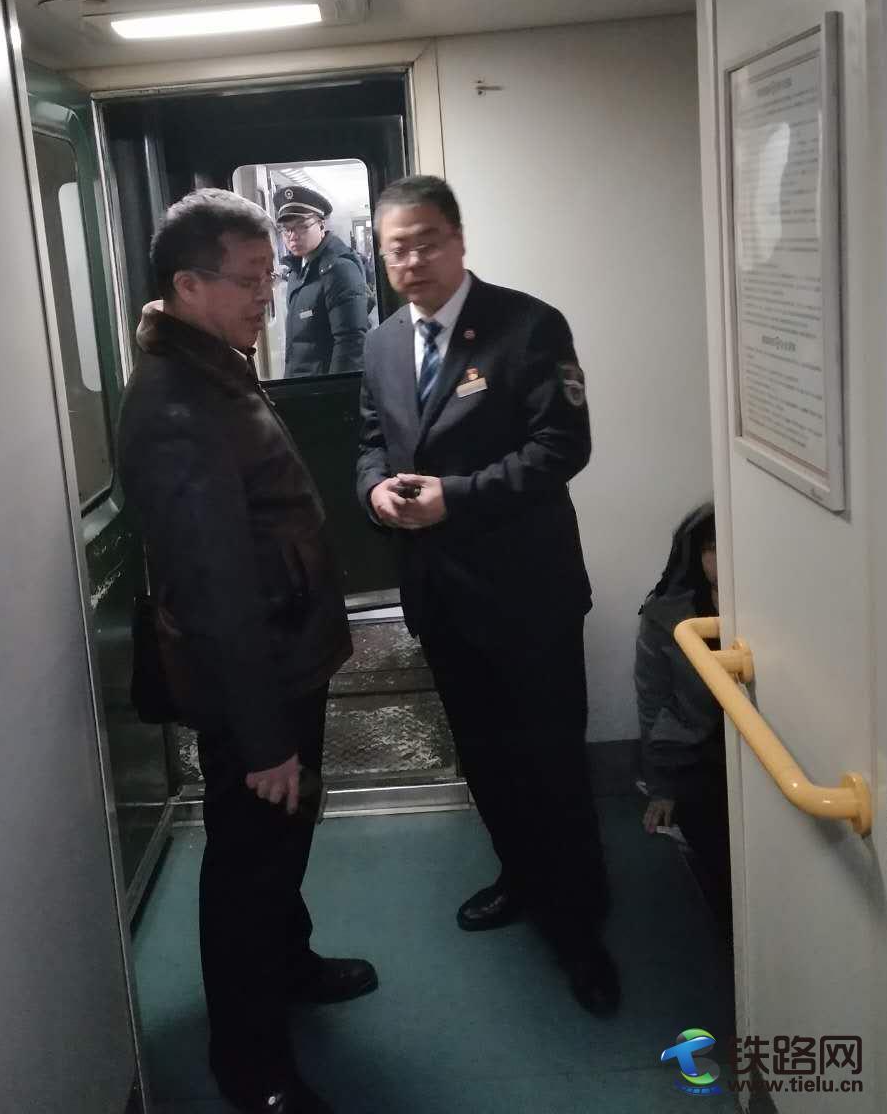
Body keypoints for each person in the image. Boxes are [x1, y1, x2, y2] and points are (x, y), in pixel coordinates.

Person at [117, 189, 376, 1114]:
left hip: (283, 657)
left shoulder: (213, 366)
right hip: (253, 680)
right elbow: (214, 589)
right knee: (247, 869)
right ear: (189, 285)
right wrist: (265, 738)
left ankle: (290, 964)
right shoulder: (177, 403)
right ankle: (252, 1067)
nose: (268, 293)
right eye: (251, 279)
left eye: (271, 275)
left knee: (282, 840)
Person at [355, 174, 618, 1017]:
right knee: (485, 757)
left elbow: (562, 446)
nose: (412, 260)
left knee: (551, 762)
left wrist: (455, 499)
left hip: (528, 597)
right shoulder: (383, 344)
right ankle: (520, 876)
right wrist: (374, 492)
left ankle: (580, 927)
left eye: (427, 241)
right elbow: (372, 440)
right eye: (396, 247)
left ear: (460, 240)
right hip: (441, 595)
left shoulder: (528, 326)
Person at [635, 503, 731, 937]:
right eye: (711, 547)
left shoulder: (779, 607)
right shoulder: (666, 616)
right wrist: (662, 788)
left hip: (763, 749)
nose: (721, 558)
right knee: (716, 846)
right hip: (696, 751)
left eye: (729, 545)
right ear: (695, 554)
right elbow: (652, 702)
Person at [274, 184, 369, 376]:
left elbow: (351, 343)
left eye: (301, 226)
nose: (292, 236)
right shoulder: (297, 270)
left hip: (322, 388)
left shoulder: (339, 270)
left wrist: (333, 391)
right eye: (286, 229)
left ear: (321, 225)